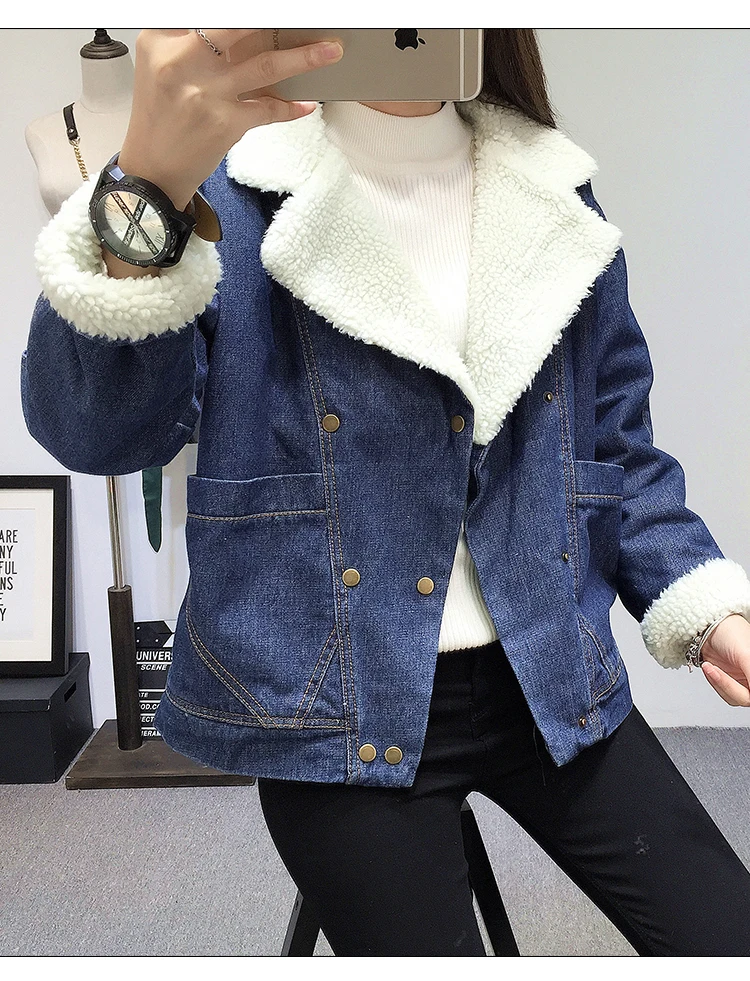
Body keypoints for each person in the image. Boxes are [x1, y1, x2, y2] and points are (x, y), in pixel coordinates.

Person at [21, 29, 750, 957]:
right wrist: (148, 187)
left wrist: (713, 609)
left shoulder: (551, 189)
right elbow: (98, 433)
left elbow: (614, 451)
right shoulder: (226, 191)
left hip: (551, 674)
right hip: (332, 704)